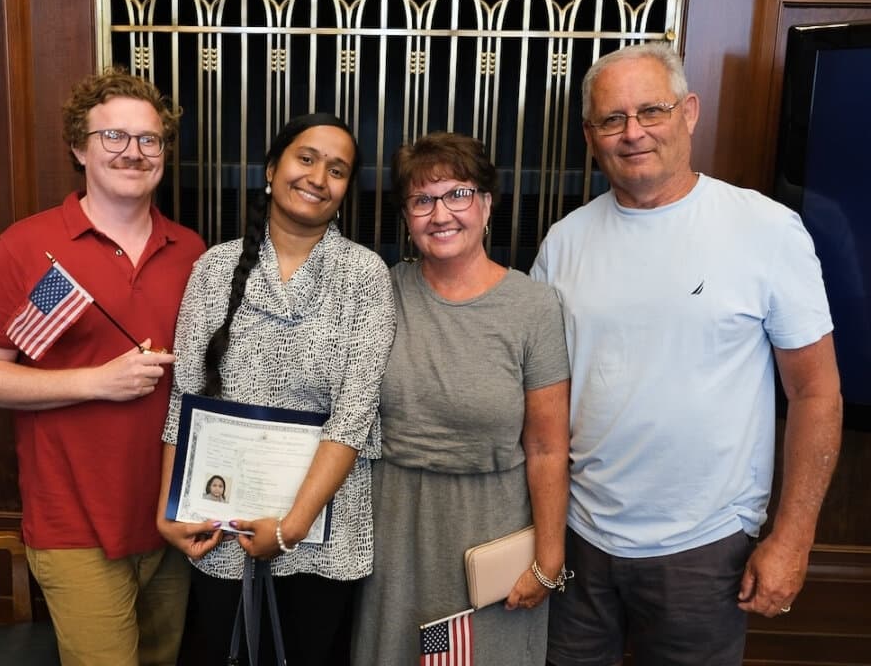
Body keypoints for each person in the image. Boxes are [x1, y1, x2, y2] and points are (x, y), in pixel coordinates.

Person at [530, 42, 843, 666]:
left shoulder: (767, 230)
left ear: (689, 112)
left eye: (652, 110)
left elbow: (817, 393)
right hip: (579, 540)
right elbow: (539, 397)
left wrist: (794, 537)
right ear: (591, 135)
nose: (633, 133)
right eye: (612, 119)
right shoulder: (564, 244)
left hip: (705, 550)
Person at [0, 69, 205, 666]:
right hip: (75, 523)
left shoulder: (192, 251)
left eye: (149, 140)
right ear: (78, 147)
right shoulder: (31, 247)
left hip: (172, 518)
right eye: (113, 136)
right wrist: (96, 382)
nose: (133, 152)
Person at [155, 112, 395, 666]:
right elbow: (184, 398)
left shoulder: (365, 276)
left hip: (322, 530)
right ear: (272, 170)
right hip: (222, 521)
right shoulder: (214, 268)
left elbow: (354, 415)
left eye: (337, 170)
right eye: (305, 158)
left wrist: (291, 527)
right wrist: (169, 509)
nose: (318, 177)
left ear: (344, 192)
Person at [352, 132, 571, 664]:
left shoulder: (533, 307)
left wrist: (549, 556)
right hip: (394, 526)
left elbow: (547, 447)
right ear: (406, 216)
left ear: (487, 204)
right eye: (422, 200)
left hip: (490, 533)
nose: (441, 214)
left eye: (458, 194)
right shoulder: (381, 290)